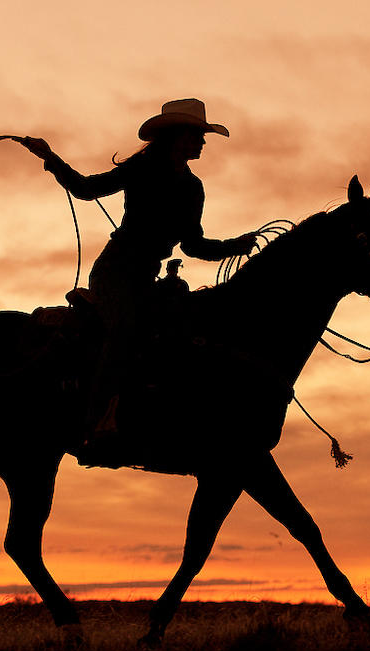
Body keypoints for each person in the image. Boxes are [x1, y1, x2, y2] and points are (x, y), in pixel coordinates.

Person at [21, 98, 258, 458]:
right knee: (125, 329)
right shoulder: (143, 167)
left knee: (184, 330)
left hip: (146, 277)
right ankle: (96, 421)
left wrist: (233, 247)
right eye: (198, 135)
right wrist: (50, 159)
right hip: (115, 272)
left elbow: (193, 246)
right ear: (178, 136)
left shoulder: (193, 188)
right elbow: (86, 189)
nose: (203, 143)